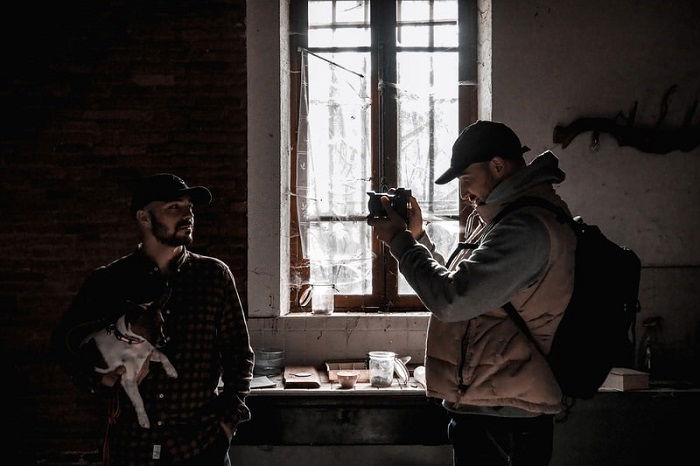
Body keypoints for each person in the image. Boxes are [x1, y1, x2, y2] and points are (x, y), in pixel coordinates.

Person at [368, 120, 576, 466]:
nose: (465, 193)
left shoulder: (525, 228)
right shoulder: (504, 220)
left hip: (507, 415)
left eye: (466, 179)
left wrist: (401, 242)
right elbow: (463, 287)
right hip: (494, 403)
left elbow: (452, 301)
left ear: (497, 166)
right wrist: (418, 239)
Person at [51, 173, 255, 466]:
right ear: (144, 218)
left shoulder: (214, 276)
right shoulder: (108, 282)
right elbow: (65, 346)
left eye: (190, 208)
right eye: (174, 207)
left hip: (199, 447)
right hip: (131, 447)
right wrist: (102, 379)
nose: (188, 215)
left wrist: (227, 423)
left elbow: (238, 353)